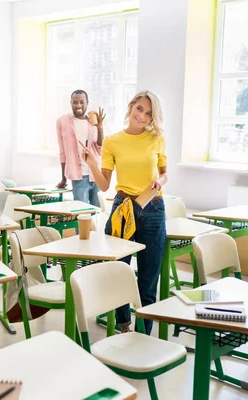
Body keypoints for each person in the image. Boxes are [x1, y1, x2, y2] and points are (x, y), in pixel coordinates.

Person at [79, 90, 167, 335]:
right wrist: (92, 164)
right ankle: (124, 326)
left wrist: (161, 181)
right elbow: (105, 185)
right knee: (119, 271)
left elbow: (164, 173)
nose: (143, 116)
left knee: (149, 278)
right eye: (140, 109)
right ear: (131, 107)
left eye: (149, 114)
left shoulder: (157, 138)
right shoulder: (113, 141)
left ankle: (144, 332)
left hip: (153, 207)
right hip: (122, 208)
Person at [56, 89, 105, 207]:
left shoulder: (93, 122)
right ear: (71, 103)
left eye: (82, 102)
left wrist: (100, 128)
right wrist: (63, 178)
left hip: (97, 173)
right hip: (78, 176)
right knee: (81, 214)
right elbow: (63, 153)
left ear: (87, 102)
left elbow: (100, 149)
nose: (78, 105)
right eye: (75, 102)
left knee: (98, 213)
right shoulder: (62, 122)